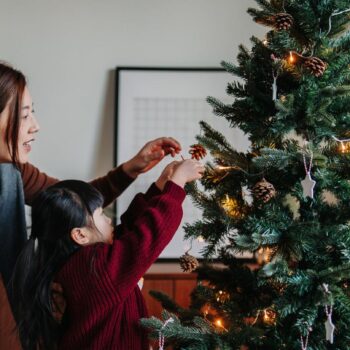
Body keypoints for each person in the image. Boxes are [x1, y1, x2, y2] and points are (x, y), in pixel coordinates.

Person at [0, 61, 182, 348]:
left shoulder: (14, 171)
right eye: (23, 116)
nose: (36, 126)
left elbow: (73, 204)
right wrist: (173, 191)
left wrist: (130, 170)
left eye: (32, 113)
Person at [10, 158, 204, 350]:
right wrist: (176, 183)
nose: (109, 220)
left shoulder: (82, 262)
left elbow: (128, 233)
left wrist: (160, 187)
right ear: (80, 235)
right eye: (101, 214)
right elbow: (149, 234)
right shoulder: (96, 266)